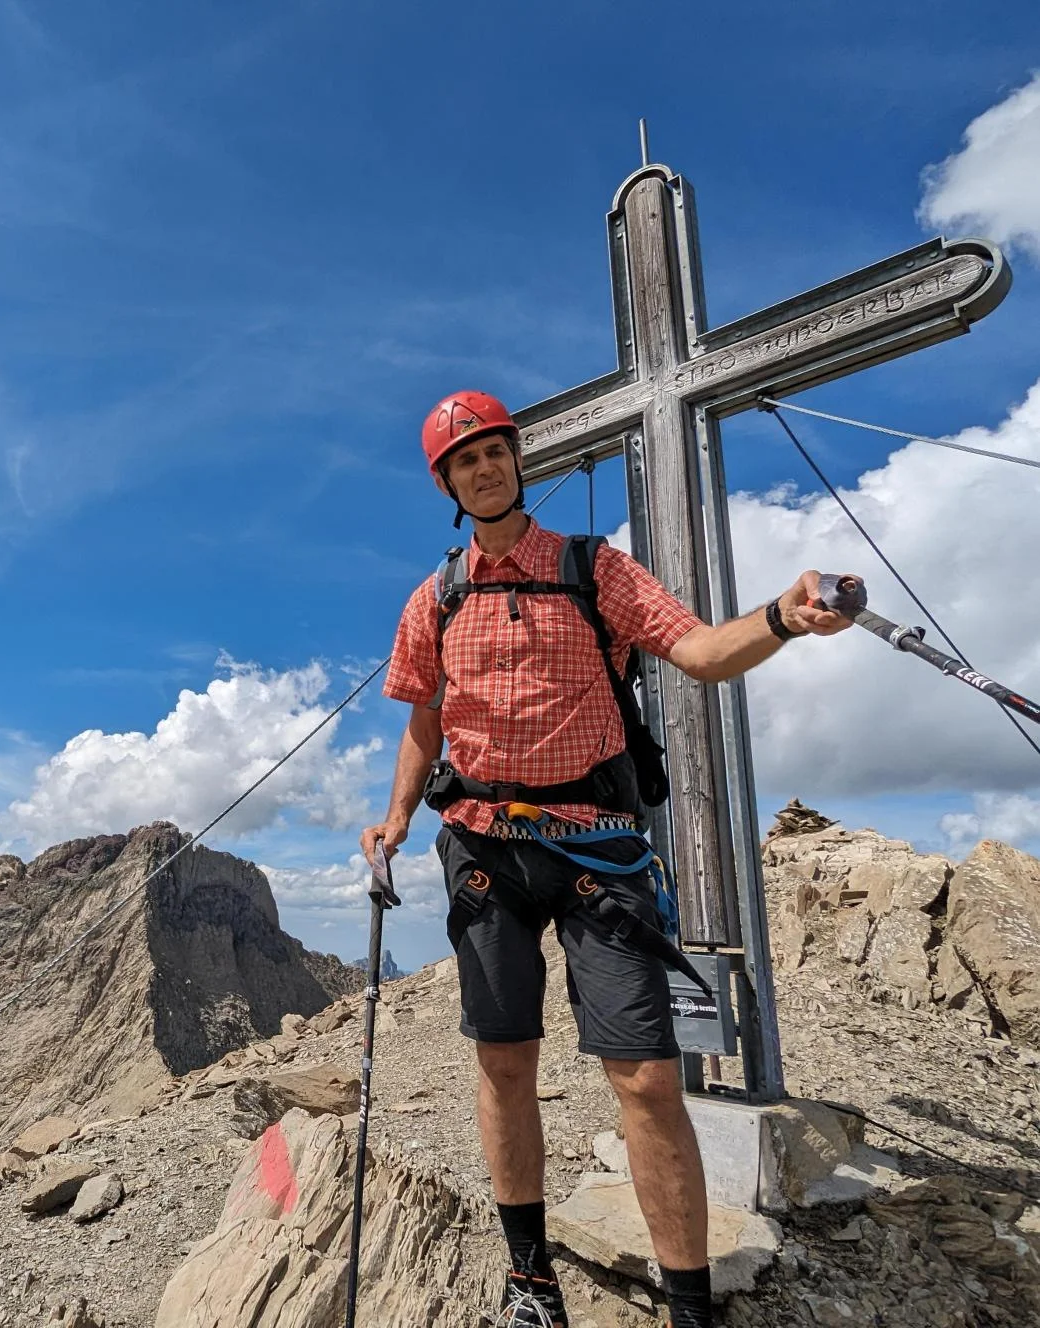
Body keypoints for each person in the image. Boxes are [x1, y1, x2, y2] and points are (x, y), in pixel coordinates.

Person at [359, 389, 852, 1328]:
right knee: (504, 1063)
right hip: (481, 850)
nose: (486, 468)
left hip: (595, 845)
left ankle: (689, 1307)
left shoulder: (596, 570)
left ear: (517, 459)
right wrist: (391, 818)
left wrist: (782, 618)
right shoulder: (435, 599)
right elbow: (425, 720)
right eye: (465, 460)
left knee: (647, 1076)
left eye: (495, 451)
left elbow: (701, 650)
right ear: (447, 484)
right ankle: (531, 1278)